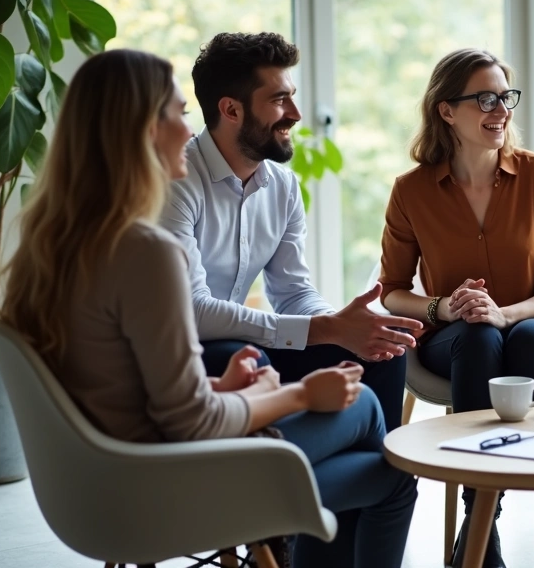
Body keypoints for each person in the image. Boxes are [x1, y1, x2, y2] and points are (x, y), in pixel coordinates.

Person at [0, 50, 417, 567]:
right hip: (164, 489)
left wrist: (227, 385)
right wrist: (298, 393)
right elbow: (191, 420)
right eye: (177, 111)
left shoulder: (53, 242)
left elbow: (116, 382)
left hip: (105, 482)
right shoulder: (145, 250)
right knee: (371, 428)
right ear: (144, 130)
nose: (189, 127)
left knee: (373, 434)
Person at [378, 48, 534, 568]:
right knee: (479, 337)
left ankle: (478, 525)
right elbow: (392, 290)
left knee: (527, 337)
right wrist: (445, 306)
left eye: (506, 97)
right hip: (458, 333)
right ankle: (483, 514)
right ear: (447, 111)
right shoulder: (411, 191)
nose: (501, 110)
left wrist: (509, 312)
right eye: (485, 99)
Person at [158, 32, 422, 433]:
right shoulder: (177, 182)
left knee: (379, 352)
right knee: (246, 358)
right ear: (231, 109)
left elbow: (293, 293)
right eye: (279, 99)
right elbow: (191, 312)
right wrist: (326, 330)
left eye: (292, 96)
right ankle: (284, 480)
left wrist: (344, 324)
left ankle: (385, 487)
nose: (296, 113)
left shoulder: (282, 186)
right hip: (188, 355)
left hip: (244, 342)